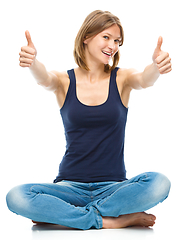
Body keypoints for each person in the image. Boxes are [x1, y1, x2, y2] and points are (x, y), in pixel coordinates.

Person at [6, 10, 172, 230]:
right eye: (106, 37)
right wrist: (33, 62)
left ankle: (65, 216)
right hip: (69, 188)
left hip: (113, 188)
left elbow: (144, 79)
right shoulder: (64, 81)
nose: (112, 46)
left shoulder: (121, 78)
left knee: (160, 183)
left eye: (117, 41)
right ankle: (113, 220)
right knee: (16, 196)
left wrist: (156, 68)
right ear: (86, 37)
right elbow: (44, 78)